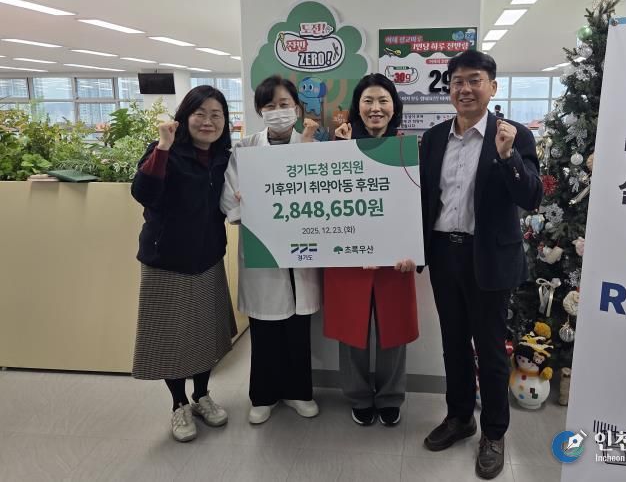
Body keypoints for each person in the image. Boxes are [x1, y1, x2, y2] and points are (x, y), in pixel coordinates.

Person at [418, 50, 543, 479]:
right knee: (452, 343)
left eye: (474, 80)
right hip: (443, 253)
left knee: (489, 350)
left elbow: (532, 197)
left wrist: (508, 158)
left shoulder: (513, 135)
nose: (465, 89)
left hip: (489, 256)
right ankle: (459, 418)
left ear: (492, 86)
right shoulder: (435, 138)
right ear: (449, 88)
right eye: (457, 81)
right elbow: (423, 197)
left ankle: (493, 431)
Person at [131, 85, 237, 443]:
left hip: (207, 256)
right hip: (167, 259)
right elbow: (143, 193)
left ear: (225, 121)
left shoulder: (224, 157)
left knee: (205, 332)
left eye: (216, 115)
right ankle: (179, 404)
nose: (208, 121)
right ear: (184, 117)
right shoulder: (165, 151)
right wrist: (163, 146)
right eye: (200, 113)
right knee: (171, 337)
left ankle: (202, 395)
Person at [221, 75, 322, 425]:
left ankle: (299, 393)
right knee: (264, 332)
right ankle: (263, 396)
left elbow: (321, 193)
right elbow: (230, 200)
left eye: (284, 104)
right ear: (259, 111)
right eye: (269, 105)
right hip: (263, 251)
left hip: (302, 252)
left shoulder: (313, 146)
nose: (278, 111)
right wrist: (244, 203)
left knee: (298, 331)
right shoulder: (245, 149)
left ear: (297, 108)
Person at [325, 73, 418, 427]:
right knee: (353, 329)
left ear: (394, 107)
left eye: (383, 100)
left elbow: (418, 204)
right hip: (350, 256)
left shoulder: (407, 148)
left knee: (394, 328)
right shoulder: (338, 145)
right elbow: (326, 201)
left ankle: (391, 395)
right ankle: (359, 395)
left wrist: (413, 250)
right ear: (357, 107)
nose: (375, 108)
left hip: (396, 257)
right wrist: (339, 149)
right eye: (368, 101)